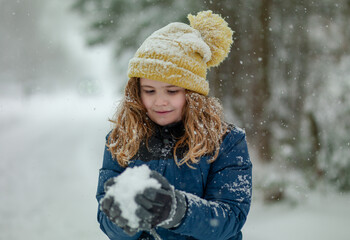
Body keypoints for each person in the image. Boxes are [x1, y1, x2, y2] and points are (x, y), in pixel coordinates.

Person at [96, 10, 252, 240]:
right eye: (149, 91)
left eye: (172, 91)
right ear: (136, 92)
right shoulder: (121, 139)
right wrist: (122, 219)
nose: (160, 101)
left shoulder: (226, 141)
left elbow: (231, 217)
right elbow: (106, 220)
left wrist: (178, 210)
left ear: (193, 93)